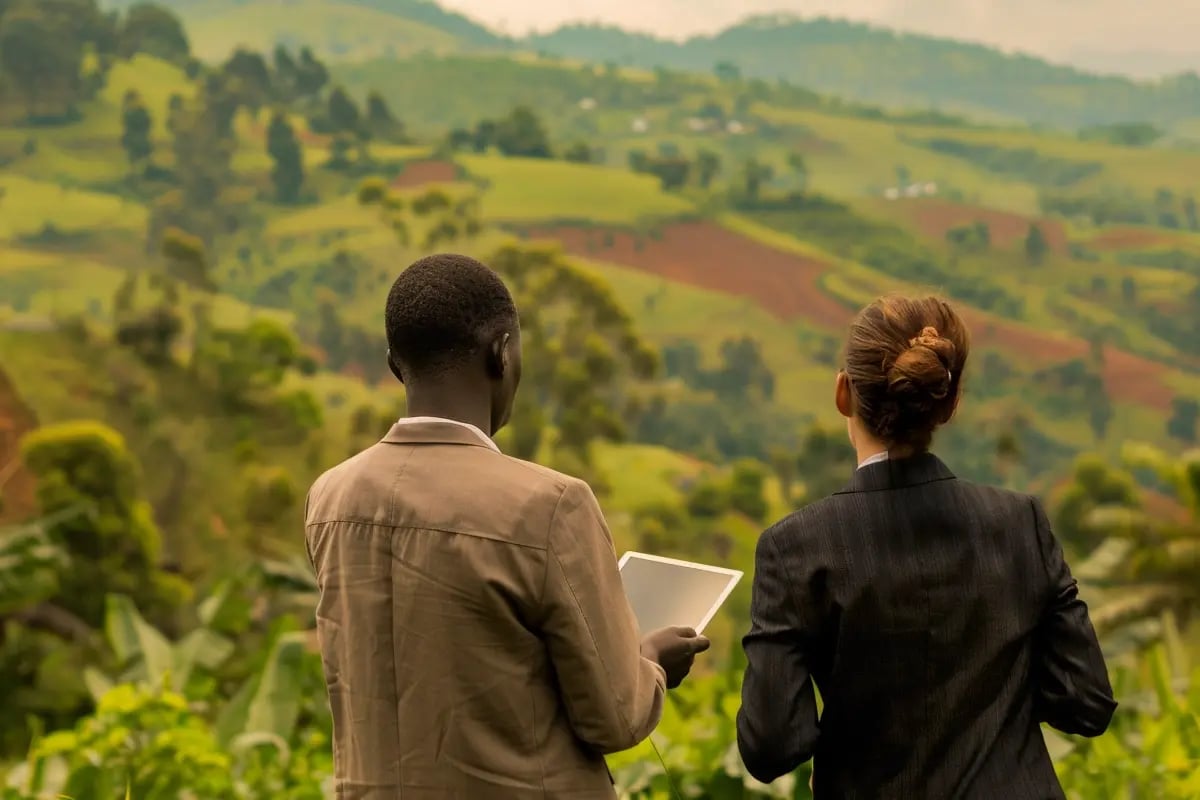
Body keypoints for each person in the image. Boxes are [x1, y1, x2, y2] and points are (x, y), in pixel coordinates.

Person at [305, 253, 710, 799]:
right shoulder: (550, 505)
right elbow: (614, 717)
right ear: (502, 353)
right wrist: (653, 661)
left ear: (395, 364)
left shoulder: (331, 498)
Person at [736, 295, 1117, 798]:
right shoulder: (1019, 522)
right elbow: (1085, 701)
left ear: (843, 393)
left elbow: (770, 746)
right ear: (950, 402)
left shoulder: (798, 547)